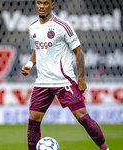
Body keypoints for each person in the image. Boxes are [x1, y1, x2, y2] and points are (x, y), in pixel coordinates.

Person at [21, 0, 109, 150]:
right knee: (33, 120)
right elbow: (37, 50)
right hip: (42, 82)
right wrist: (29, 65)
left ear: (52, 5)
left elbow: (78, 51)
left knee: (82, 116)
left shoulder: (63, 26)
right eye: (39, 3)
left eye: (45, 3)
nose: (41, 6)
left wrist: (81, 78)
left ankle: (105, 149)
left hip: (63, 81)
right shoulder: (33, 28)